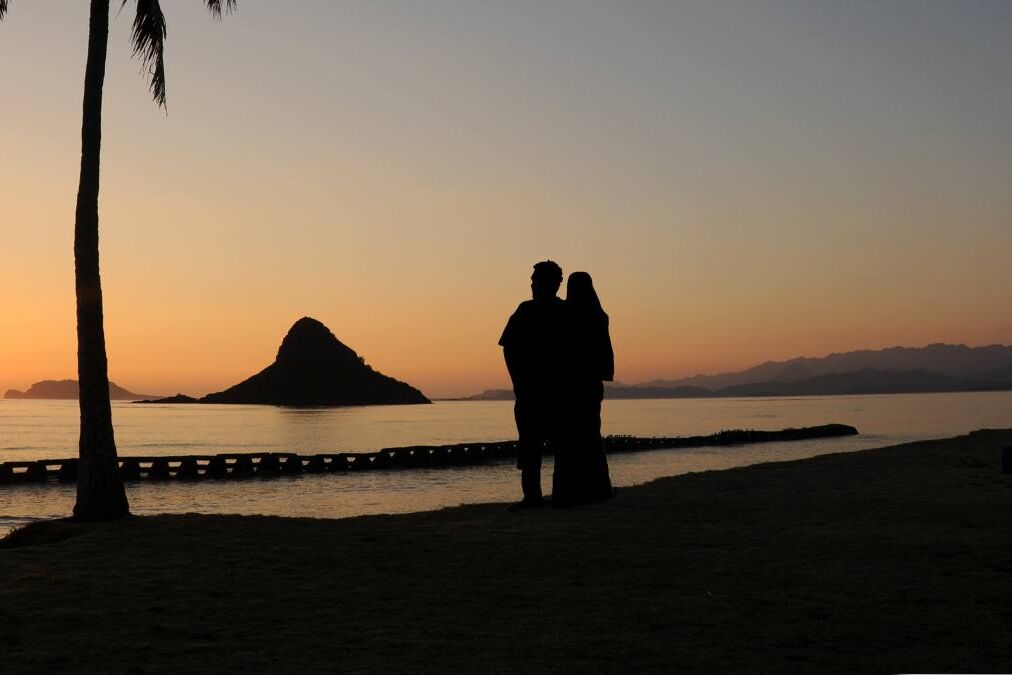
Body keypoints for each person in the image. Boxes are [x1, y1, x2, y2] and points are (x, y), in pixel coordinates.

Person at [499, 260, 569, 510]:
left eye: (538, 280)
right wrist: (518, 380)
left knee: (562, 446)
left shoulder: (566, 312)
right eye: (533, 280)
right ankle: (533, 497)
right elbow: (508, 348)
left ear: (555, 283)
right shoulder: (525, 310)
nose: (533, 285)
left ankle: (561, 493)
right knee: (530, 446)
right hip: (530, 392)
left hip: (558, 393)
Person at [553, 271, 614, 505]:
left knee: (567, 439)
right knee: (590, 437)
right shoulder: (598, 315)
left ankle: (566, 492)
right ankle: (598, 488)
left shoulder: (565, 314)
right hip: (590, 385)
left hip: (569, 385)